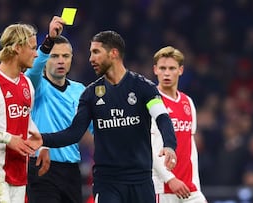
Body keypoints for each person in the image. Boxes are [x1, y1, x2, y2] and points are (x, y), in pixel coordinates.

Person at [28, 30, 177, 203]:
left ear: (114, 53)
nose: (91, 58)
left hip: (141, 180)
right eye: (91, 53)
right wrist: (43, 139)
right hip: (107, 182)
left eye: (96, 52)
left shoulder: (144, 88)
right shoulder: (90, 94)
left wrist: (170, 145)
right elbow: (74, 133)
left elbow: (162, 117)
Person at [0, 17, 64, 203]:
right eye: (32, 48)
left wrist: (42, 143)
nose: (36, 54)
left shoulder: (26, 84)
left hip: (18, 174)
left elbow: (25, 119)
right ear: (17, 48)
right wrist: (7, 138)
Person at [24, 34, 92, 203]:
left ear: (71, 59)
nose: (60, 61)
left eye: (65, 56)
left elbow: (94, 128)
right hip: (41, 168)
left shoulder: (80, 90)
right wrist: (47, 43)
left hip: (71, 170)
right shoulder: (35, 86)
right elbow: (33, 71)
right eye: (54, 56)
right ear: (46, 59)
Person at [151, 46, 207, 202]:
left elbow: (191, 145)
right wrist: (169, 178)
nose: (167, 73)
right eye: (162, 68)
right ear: (155, 70)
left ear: (180, 70)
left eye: (171, 68)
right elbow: (147, 147)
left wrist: (195, 183)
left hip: (189, 188)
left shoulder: (187, 102)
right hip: (163, 188)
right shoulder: (151, 103)